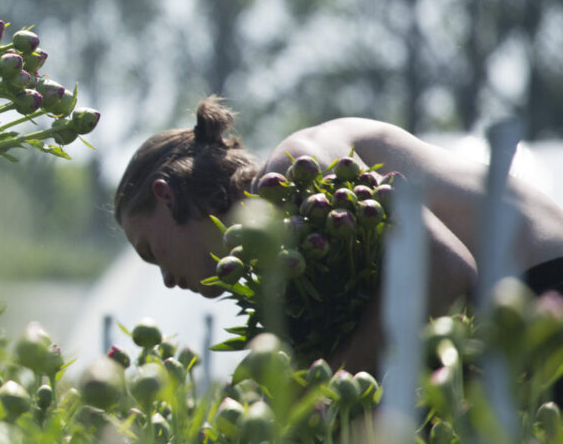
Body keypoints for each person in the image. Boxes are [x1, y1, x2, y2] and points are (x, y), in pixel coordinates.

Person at [113, 95, 563, 372]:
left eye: (152, 253)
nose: (167, 280)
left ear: (166, 196)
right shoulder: (285, 250)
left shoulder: (295, 167)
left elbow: (446, 269)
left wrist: (331, 382)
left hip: (544, 283)